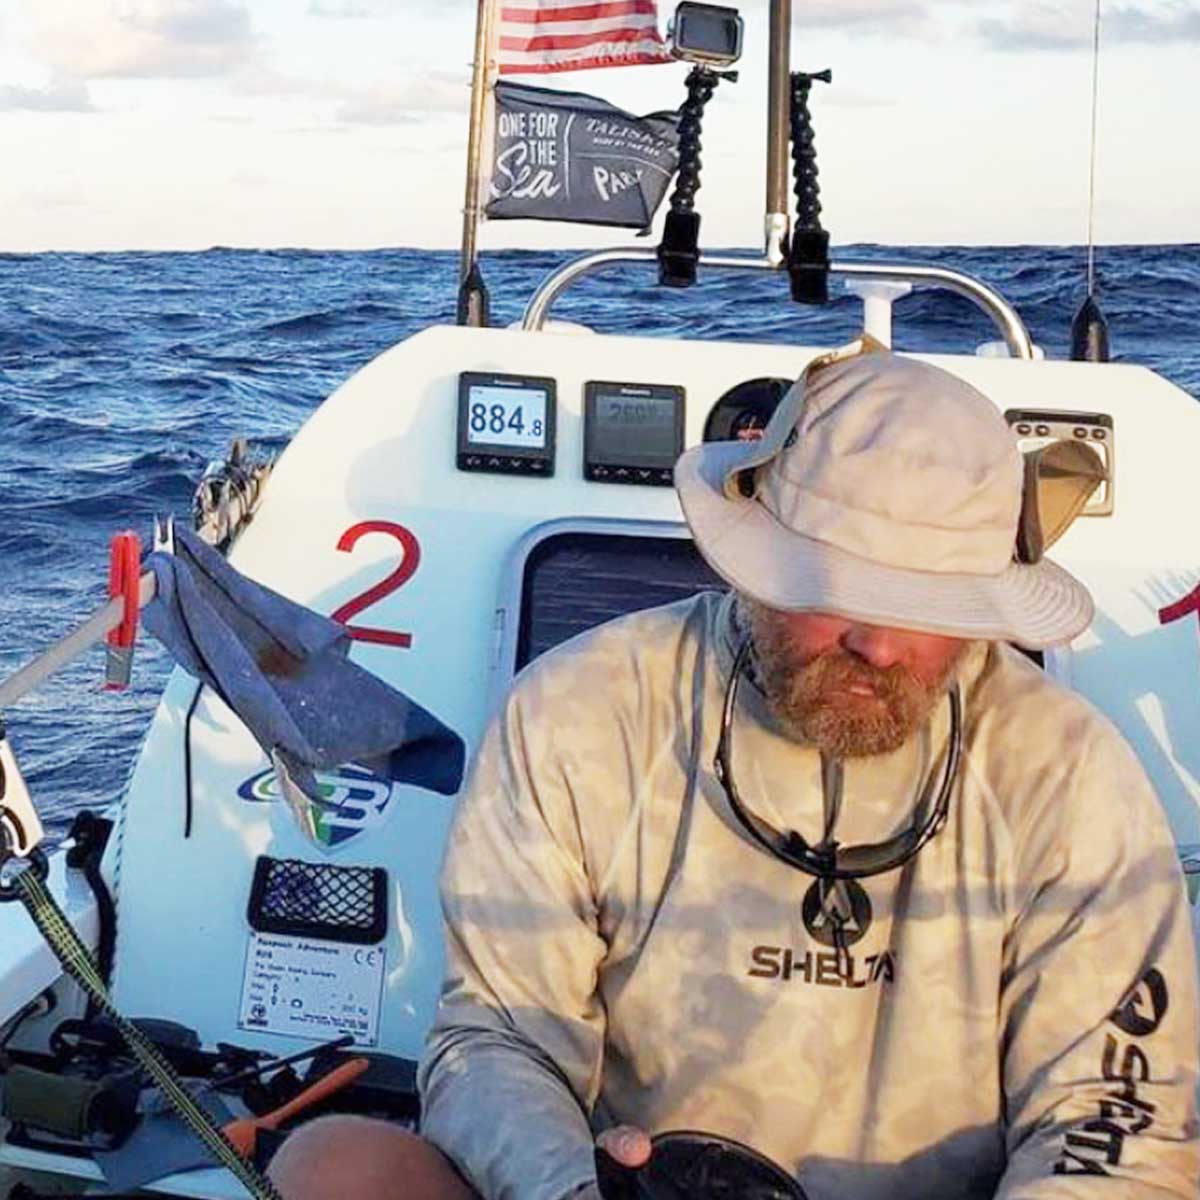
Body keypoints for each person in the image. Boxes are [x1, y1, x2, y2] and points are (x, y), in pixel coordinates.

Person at [270, 342, 1199, 1200]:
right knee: (333, 1165)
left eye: (925, 606)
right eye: (832, 588)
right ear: (753, 564)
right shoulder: (578, 710)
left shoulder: (1070, 776)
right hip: (621, 1188)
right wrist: (569, 1188)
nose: (874, 643)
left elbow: (1112, 1113)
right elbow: (501, 1035)